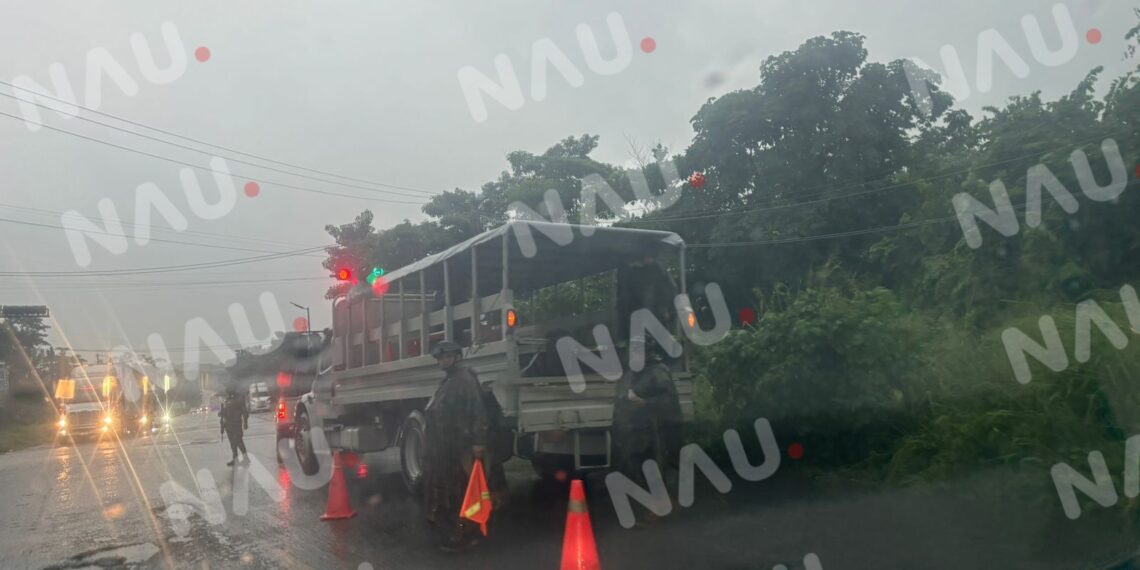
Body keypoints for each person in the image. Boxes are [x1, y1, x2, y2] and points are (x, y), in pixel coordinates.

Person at [422, 340, 507, 552]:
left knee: (463, 493)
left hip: (462, 447)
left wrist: (478, 441)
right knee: (453, 492)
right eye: (440, 358)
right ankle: (457, 529)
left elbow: (478, 411)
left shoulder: (464, 379)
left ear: (457, 358)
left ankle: (467, 535)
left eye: (447, 357)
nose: (443, 361)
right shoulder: (450, 380)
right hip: (447, 448)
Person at [611, 335, 684, 525]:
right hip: (634, 434)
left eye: (638, 351)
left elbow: (669, 401)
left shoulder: (658, 371)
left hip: (657, 433)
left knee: (657, 470)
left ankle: (662, 509)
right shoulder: (632, 373)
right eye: (632, 351)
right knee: (637, 470)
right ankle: (650, 508)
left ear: (648, 352)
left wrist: (644, 402)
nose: (633, 355)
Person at [219, 387, 250, 466]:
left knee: (239, 441)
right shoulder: (227, 400)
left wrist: (245, 422)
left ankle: (246, 458)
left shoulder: (239, 399)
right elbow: (223, 413)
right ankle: (235, 459)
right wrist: (221, 414)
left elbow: (244, 411)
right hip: (228, 425)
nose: (227, 391)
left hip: (236, 424)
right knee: (232, 443)